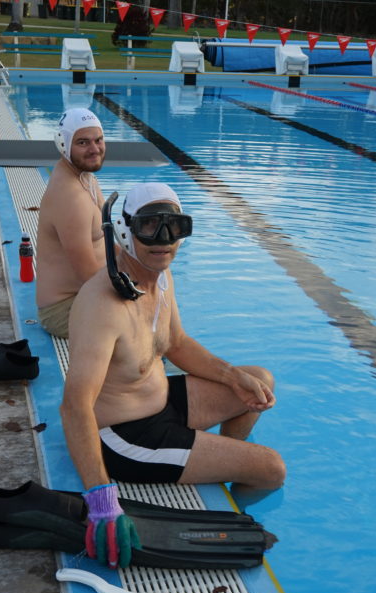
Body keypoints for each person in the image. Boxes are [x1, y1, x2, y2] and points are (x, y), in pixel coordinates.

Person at [60, 182, 286, 568]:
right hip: (126, 437)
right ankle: (234, 508)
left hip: (161, 401)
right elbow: (74, 406)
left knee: (258, 379)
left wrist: (233, 376)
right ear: (126, 229)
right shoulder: (103, 305)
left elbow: (176, 342)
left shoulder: (158, 274)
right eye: (150, 227)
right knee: (271, 470)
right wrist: (101, 497)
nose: (164, 240)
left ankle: (220, 471)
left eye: (175, 226)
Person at [35, 108, 107, 339]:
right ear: (64, 145)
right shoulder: (71, 198)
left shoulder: (85, 177)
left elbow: (109, 238)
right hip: (64, 310)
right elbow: (89, 275)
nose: (95, 149)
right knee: (143, 329)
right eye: (83, 143)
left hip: (86, 295)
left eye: (98, 140)